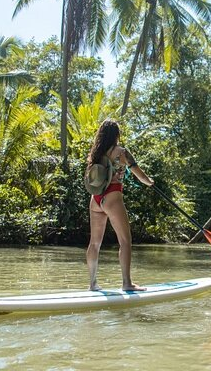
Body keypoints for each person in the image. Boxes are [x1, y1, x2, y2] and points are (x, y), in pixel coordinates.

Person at [85, 118, 154, 291]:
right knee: (125, 241)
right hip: (113, 197)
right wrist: (150, 182)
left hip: (96, 199)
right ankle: (127, 283)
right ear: (116, 134)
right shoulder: (121, 152)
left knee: (94, 243)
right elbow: (140, 175)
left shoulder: (96, 154)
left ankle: (93, 284)